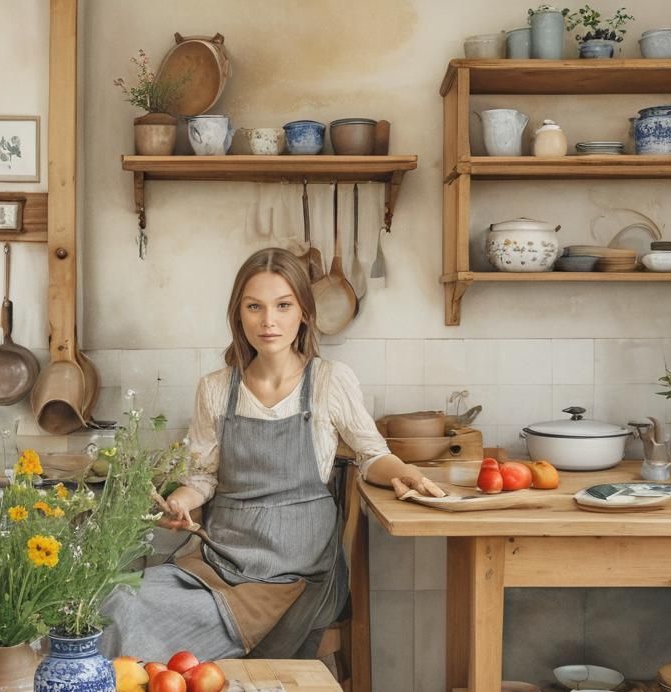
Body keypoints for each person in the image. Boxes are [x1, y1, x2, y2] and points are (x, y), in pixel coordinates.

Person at [99, 247, 445, 661]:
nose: (268, 321)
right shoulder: (215, 389)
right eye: (254, 307)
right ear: (238, 315)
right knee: (117, 600)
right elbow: (203, 477)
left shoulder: (329, 381)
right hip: (221, 561)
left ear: (304, 313)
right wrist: (181, 502)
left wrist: (403, 471)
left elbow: (372, 455)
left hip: (296, 572)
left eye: (283, 305)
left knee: (157, 619)